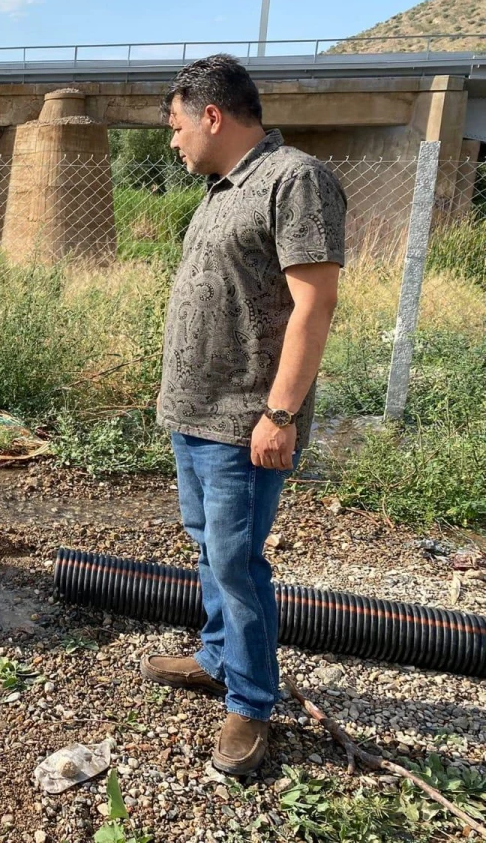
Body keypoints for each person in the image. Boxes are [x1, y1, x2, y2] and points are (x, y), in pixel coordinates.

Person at [143, 55, 346, 775]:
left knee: (237, 561)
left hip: (244, 418)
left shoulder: (293, 178)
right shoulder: (222, 187)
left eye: (175, 126)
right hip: (194, 411)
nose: (173, 142)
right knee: (208, 546)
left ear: (211, 115)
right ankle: (216, 658)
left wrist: (280, 413)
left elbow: (314, 303)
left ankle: (252, 706)